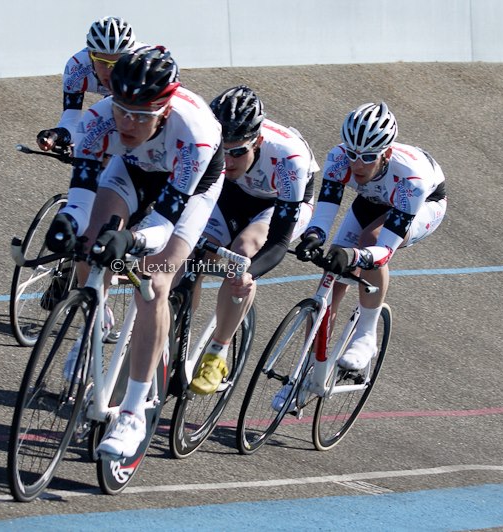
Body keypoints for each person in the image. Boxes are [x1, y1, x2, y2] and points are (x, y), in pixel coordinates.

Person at [44, 46, 225, 458]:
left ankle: (132, 413)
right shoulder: (98, 119)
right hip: (132, 168)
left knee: (155, 280)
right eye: (122, 109)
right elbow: (80, 196)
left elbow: (163, 223)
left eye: (141, 115)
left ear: (164, 109)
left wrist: (133, 240)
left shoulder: (194, 131)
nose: (126, 121)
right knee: (90, 241)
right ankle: (94, 321)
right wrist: (69, 223)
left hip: (190, 188)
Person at [294, 101, 447, 373]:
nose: (357, 164)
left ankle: (366, 334)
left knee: (369, 241)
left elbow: (385, 250)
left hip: (422, 203)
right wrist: (314, 236)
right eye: (352, 153)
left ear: (386, 153)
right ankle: (306, 370)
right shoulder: (339, 159)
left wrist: (354, 256)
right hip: (374, 199)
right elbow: (325, 214)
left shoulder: (412, 180)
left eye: (367, 157)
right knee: (332, 276)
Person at [188, 85, 320, 395]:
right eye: (223, 149)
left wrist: (249, 272)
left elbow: (276, 244)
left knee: (242, 253)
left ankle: (217, 354)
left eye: (237, 152)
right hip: (231, 194)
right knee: (191, 255)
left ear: (258, 141)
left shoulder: (289, 159)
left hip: (278, 204)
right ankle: (177, 329)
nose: (228, 159)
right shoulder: (204, 138)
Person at [35, 16, 141, 152]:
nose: (110, 71)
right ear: (91, 54)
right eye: (102, 62)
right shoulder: (76, 68)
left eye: (117, 62)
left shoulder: (142, 66)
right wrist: (57, 135)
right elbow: (71, 121)